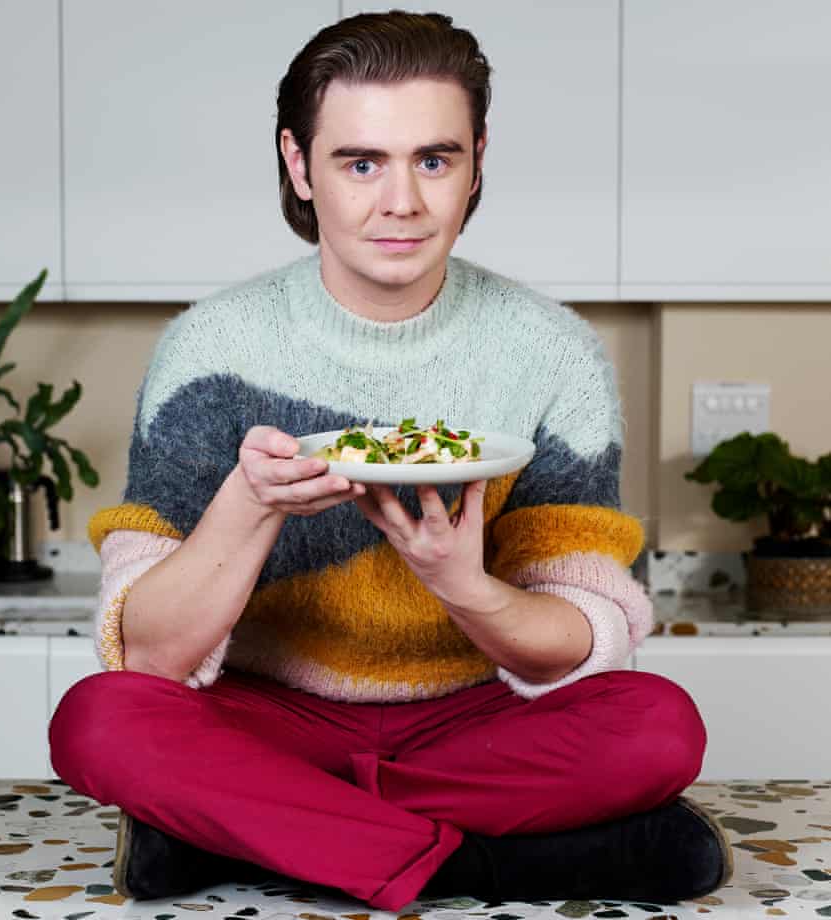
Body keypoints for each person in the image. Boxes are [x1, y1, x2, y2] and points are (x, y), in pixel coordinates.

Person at [48, 10, 733, 911]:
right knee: (97, 723)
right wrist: (250, 505)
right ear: (299, 164)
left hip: (476, 721)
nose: (401, 202)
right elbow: (147, 658)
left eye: (434, 159)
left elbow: (584, 643)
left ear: (478, 160)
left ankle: (262, 837)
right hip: (272, 717)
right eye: (361, 162)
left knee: (658, 728)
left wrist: (464, 583)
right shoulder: (207, 350)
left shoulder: (552, 352)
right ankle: (495, 867)